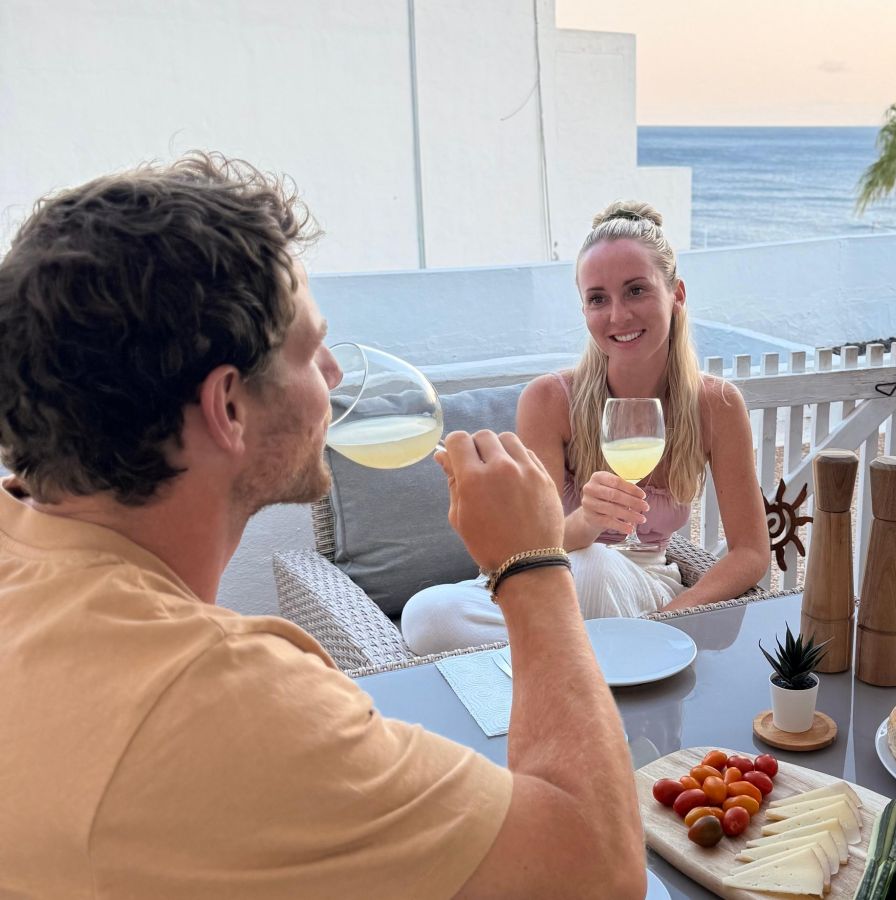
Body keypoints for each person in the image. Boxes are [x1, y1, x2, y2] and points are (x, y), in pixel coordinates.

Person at [0, 154, 645, 899]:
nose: (335, 375)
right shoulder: (221, 700)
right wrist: (531, 566)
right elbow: (595, 871)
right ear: (229, 409)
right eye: (311, 349)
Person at [402, 201, 769, 655]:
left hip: (641, 584)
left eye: (636, 291)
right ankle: (612, 656)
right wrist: (590, 521)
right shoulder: (549, 400)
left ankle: (557, 662)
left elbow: (750, 553)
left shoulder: (717, 405)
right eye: (598, 299)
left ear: (676, 294)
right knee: (427, 616)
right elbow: (537, 544)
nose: (617, 316)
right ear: (584, 309)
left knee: (594, 567)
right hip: (542, 578)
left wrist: (672, 619)